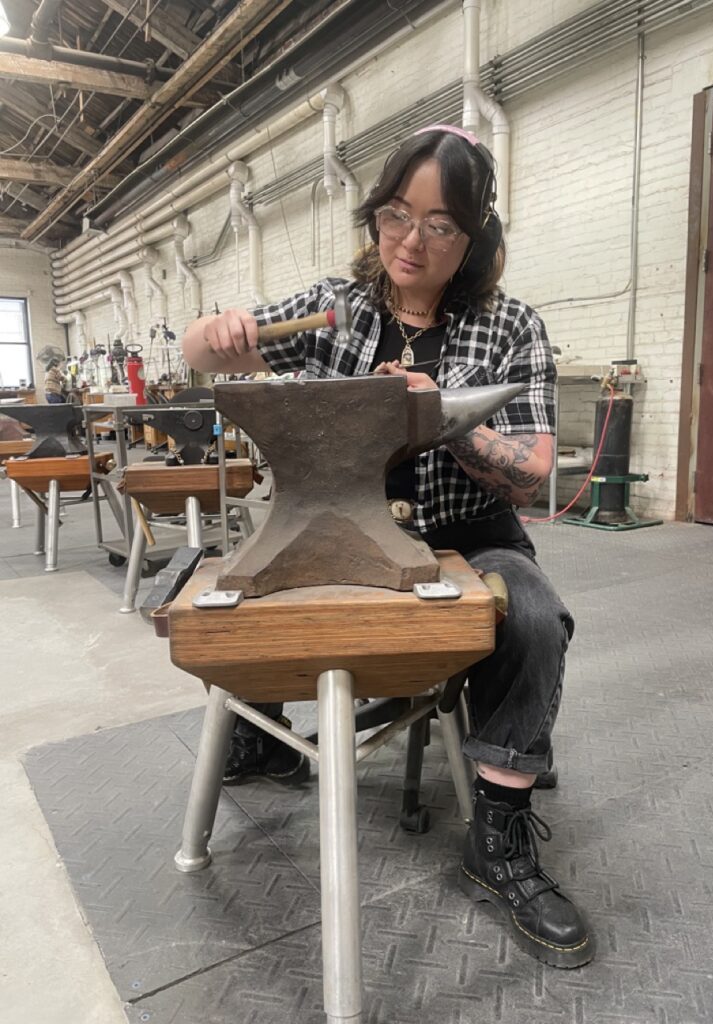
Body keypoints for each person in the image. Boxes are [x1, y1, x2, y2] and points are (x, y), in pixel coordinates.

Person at [181, 124, 593, 969]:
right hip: (333, 525)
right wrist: (218, 332)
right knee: (210, 592)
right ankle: (266, 736)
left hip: (468, 535)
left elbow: (532, 473)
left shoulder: (511, 326)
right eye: (397, 213)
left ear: (474, 235)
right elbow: (198, 355)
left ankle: (500, 835)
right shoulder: (337, 308)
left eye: (440, 225)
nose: (411, 240)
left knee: (534, 618)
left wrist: (440, 415)